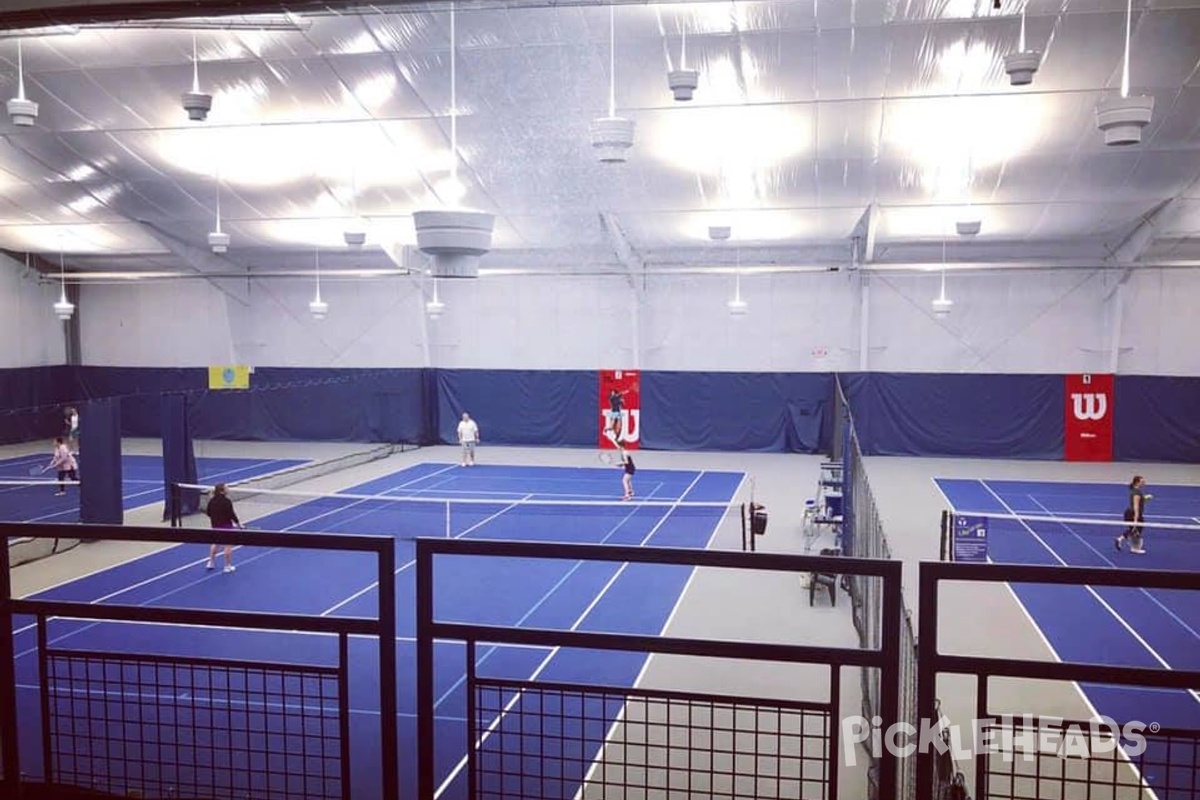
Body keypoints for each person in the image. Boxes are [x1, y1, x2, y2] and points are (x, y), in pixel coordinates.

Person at [205, 483, 242, 573]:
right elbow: (231, 514)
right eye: (226, 488)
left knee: (215, 543)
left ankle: (211, 563)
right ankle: (227, 566)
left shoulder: (212, 500)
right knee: (228, 545)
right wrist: (238, 524)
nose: (228, 489)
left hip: (215, 525)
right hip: (226, 526)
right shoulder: (227, 501)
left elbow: (208, 512)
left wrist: (216, 518)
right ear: (222, 490)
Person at [1115, 475, 1152, 554]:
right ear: (1137, 483)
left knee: (1134, 530)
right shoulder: (1137, 493)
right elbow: (1136, 507)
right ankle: (1135, 548)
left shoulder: (1136, 491)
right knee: (1136, 529)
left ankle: (1120, 539)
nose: (1144, 483)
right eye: (1142, 482)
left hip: (1130, 513)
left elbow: (1139, 502)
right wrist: (1135, 520)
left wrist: (1145, 498)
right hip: (1132, 514)